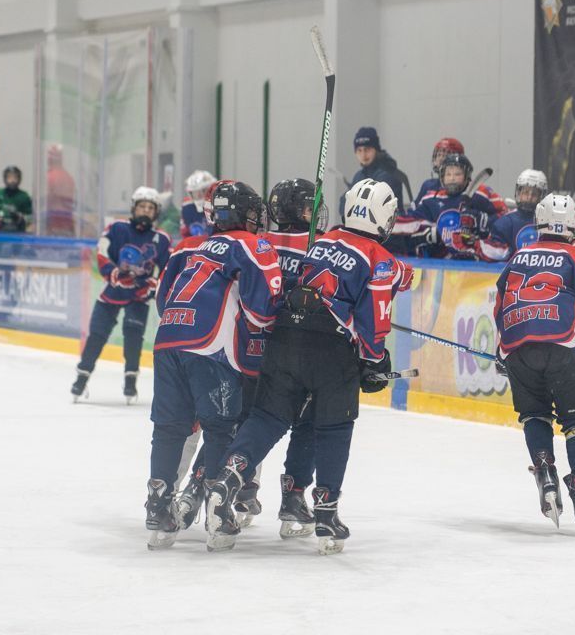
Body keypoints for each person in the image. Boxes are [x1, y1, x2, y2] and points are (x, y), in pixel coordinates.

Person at [205, 178, 413, 555]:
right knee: (332, 426)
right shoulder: (379, 258)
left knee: (266, 418)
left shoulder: (323, 241)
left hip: (284, 337)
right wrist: (374, 359)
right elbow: (375, 319)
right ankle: (326, 513)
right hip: (330, 349)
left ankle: (228, 478)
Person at [176, 177, 326, 538]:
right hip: (290, 352)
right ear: (292, 209)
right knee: (294, 421)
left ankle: (203, 487)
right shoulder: (319, 246)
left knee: (236, 423)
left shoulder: (258, 242)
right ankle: (288, 494)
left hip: (245, 350)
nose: (314, 215)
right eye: (308, 208)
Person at [144, 181, 283, 550]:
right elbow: (262, 311)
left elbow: (163, 297)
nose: (256, 219)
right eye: (252, 213)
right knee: (222, 427)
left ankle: (158, 506)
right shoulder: (251, 244)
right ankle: (218, 516)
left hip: (168, 338)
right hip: (210, 347)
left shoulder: (195, 246)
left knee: (170, 428)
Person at [494, 193, 575, 536]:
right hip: (561, 346)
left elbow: (500, 303)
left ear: (538, 222)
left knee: (534, 412)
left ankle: (545, 473)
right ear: (574, 224)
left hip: (517, 347)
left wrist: (502, 351)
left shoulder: (518, 256)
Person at [71, 187, 171, 403]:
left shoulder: (161, 239)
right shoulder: (116, 228)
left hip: (139, 294)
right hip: (112, 291)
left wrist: (153, 285)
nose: (146, 211)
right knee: (97, 335)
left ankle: (130, 381)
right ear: (133, 208)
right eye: (142, 206)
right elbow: (102, 253)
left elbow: (168, 270)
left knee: (134, 337)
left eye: (150, 207)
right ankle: (82, 377)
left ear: (156, 212)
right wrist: (114, 274)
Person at [393, 153, 498, 260]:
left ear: (467, 176)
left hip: (474, 260)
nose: (452, 178)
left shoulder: (481, 194)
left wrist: (480, 220)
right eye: (448, 174)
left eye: (457, 174)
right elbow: (413, 220)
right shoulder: (431, 198)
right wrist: (428, 233)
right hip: (439, 260)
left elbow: (501, 221)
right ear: (442, 177)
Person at [413, 137, 508, 215]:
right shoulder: (428, 187)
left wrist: (481, 220)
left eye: (445, 155)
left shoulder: (478, 192)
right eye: (439, 155)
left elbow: (502, 213)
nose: (441, 159)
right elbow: (417, 214)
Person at [481, 169, 548, 261]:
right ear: (519, 193)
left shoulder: (549, 223)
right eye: (526, 192)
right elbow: (492, 253)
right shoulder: (505, 222)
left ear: (541, 196)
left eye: (534, 194)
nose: (529, 197)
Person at [347, 127, 407, 207]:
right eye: (359, 150)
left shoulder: (389, 173)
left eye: (367, 149)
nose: (363, 155)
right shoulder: (358, 175)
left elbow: (374, 204)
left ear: (376, 150)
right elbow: (344, 204)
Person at [45, 144, 77, 237]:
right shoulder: (68, 177)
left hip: (54, 225)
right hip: (67, 225)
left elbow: (48, 202)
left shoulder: (50, 177)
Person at [0, 166, 33, 233]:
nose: (12, 180)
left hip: (17, 230)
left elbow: (30, 216)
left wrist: (21, 217)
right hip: (0, 229)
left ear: (19, 179)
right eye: (9, 177)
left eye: (15, 177)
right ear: (4, 179)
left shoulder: (24, 196)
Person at [181, 169, 217, 239]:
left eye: (203, 190)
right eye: (194, 192)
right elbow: (186, 236)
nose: (198, 195)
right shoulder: (187, 208)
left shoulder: (220, 207)